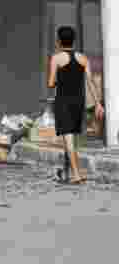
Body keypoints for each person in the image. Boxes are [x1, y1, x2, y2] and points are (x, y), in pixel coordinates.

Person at [48, 25, 95, 184]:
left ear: (59, 41)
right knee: (71, 140)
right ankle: (67, 172)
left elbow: (51, 82)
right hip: (78, 102)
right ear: (73, 40)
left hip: (63, 102)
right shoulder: (83, 58)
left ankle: (76, 174)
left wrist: (58, 80)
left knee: (68, 141)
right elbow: (90, 81)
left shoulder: (56, 58)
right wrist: (97, 103)